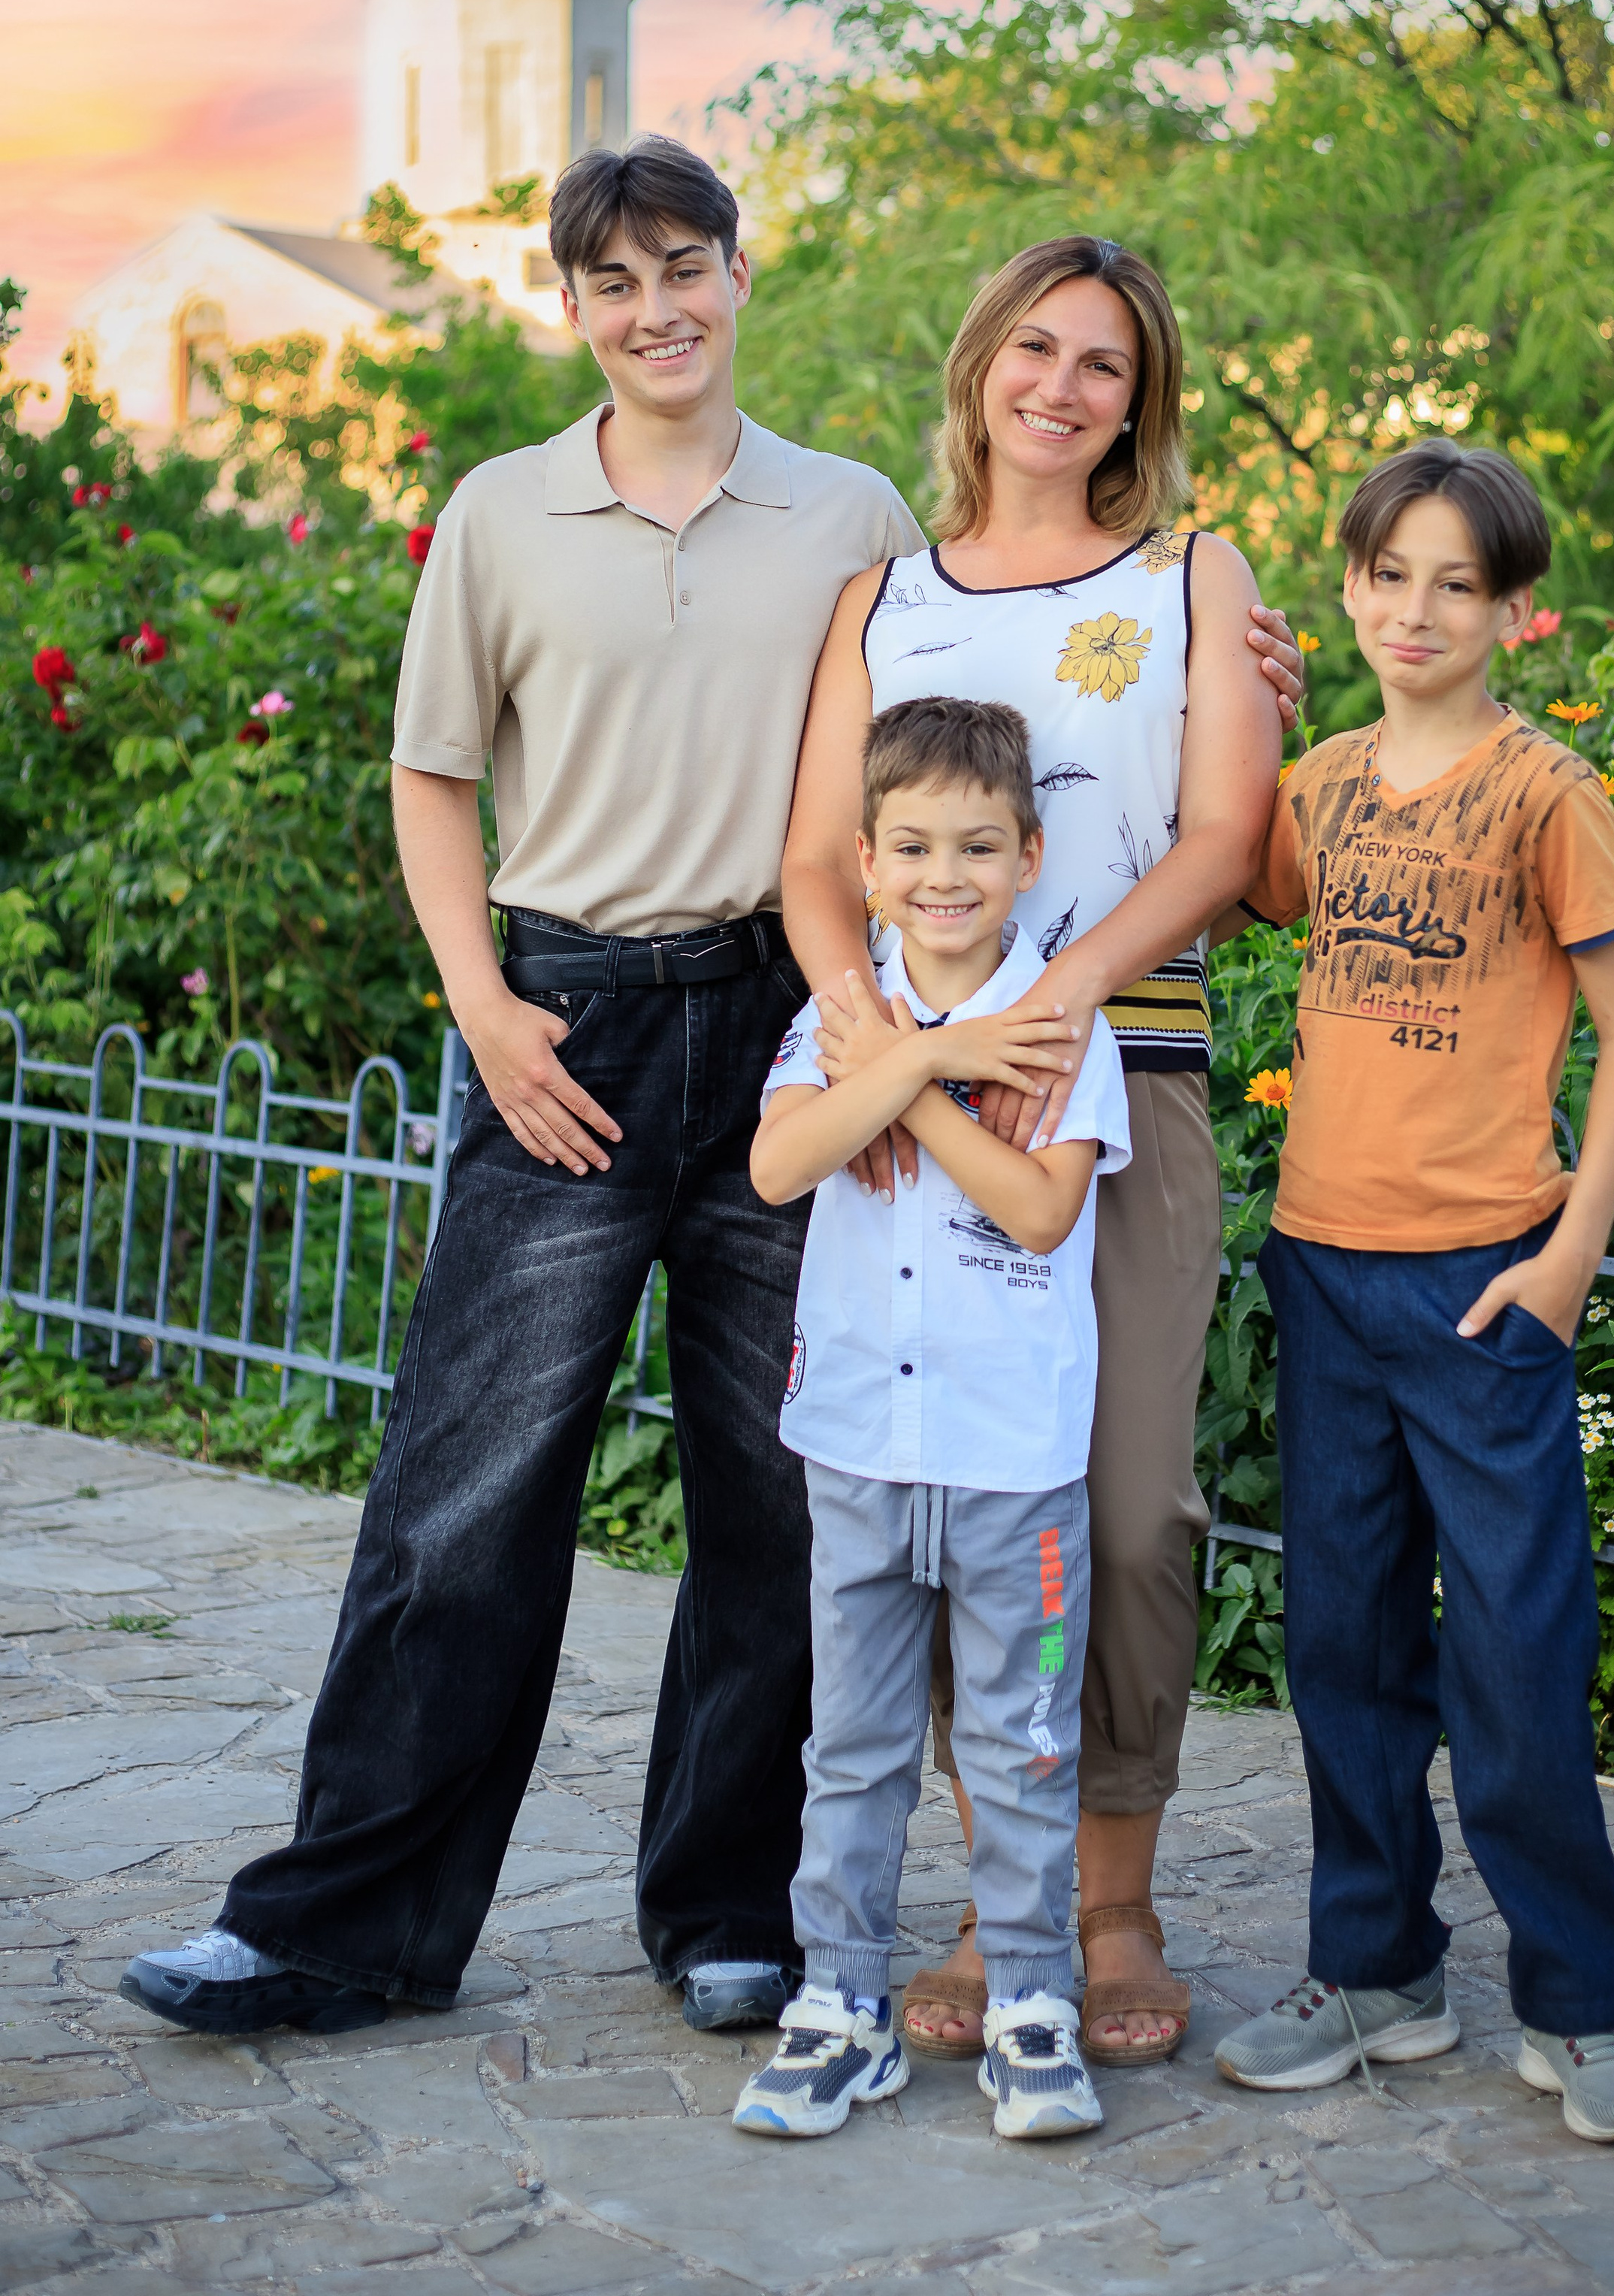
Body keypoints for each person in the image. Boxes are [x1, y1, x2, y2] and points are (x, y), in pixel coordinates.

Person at [118, 147, 1304, 2043]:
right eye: (612, 280)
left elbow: (1116, 750)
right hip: (582, 1020)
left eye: (684, 267)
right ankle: (344, 1923)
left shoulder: (840, 518)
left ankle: (730, 1916)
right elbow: (448, 782)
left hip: (800, 1010)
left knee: (785, 1499)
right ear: (573, 306)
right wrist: (491, 1010)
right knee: (464, 1490)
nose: (653, 306)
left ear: (738, 278)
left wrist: (1255, 683)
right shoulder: (507, 513)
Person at [782, 237, 1281, 2065]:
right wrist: (890, 1055)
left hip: (1116, 1077)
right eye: (1035, 349)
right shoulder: (878, 600)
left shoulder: (1188, 575)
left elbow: (1223, 837)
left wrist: (1041, 1012)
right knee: (951, 1496)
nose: (1061, 387)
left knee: (1132, 1507)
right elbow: (812, 868)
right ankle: (1008, 1918)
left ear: (1137, 401)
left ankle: (1114, 1899)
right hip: (915, 1100)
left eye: (1104, 364)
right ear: (980, 360)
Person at [1210, 440, 1614, 2146]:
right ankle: (1375, 1973)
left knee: (1509, 1653)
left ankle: (1578, 2005)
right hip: (1324, 1268)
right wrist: (1250, 709)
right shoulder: (1321, 782)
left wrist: (1565, 1261)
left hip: (1486, 1284)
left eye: (1453, 585)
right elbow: (1245, 875)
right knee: (1339, 1644)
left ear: (1514, 614)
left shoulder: (1544, 791)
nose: (1413, 610)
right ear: (1346, 587)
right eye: (1385, 575)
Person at [733, 697, 1132, 2142]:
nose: (944, 874)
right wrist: (909, 1060)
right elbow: (782, 1166)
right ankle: (841, 2005)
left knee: (1024, 1738)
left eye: (978, 845)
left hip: (1015, 1475)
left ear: (1030, 856)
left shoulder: (1058, 1031)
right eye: (911, 847)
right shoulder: (835, 1021)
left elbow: (1038, 1212)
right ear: (867, 858)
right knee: (854, 1744)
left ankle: (1033, 1999)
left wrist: (917, 1091)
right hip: (857, 1456)